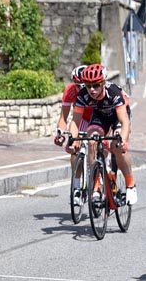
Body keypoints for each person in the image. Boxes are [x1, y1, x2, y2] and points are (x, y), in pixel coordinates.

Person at [67, 64, 137, 205]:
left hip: (117, 116)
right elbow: (75, 121)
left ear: (103, 83)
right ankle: (97, 186)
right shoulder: (83, 95)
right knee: (92, 142)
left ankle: (130, 185)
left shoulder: (114, 92)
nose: (92, 90)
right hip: (100, 116)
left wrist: (123, 140)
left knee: (117, 146)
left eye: (96, 85)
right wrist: (72, 140)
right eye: (88, 86)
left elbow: (124, 121)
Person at [54, 65, 92, 205]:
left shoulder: (94, 89)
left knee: (98, 144)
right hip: (82, 118)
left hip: (98, 117)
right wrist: (60, 134)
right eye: (77, 85)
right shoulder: (70, 91)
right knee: (74, 148)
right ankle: (76, 187)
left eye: (84, 85)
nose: (81, 89)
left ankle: (100, 174)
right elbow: (63, 118)